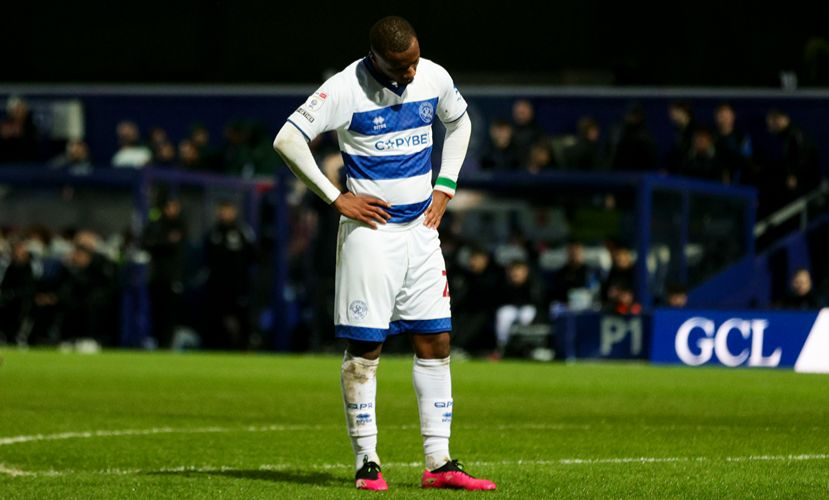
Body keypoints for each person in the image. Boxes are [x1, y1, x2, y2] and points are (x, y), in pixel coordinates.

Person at [272, 16, 495, 492]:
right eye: (400, 66)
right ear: (375, 57)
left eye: (414, 60)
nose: (411, 72)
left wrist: (446, 185)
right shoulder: (343, 89)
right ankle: (367, 462)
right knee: (366, 348)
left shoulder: (433, 76)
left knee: (436, 340)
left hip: (421, 230)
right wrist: (336, 198)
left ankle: (439, 463)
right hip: (370, 235)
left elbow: (460, 124)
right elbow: (287, 139)